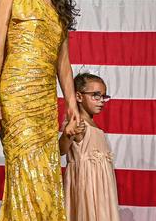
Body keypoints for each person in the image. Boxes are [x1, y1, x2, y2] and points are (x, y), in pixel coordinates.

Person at [0, 0, 80, 220]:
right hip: (15, 97)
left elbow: (63, 63)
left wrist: (72, 104)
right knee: (23, 170)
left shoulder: (60, 6)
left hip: (45, 102)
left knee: (46, 173)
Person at [60, 73, 120, 221]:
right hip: (86, 186)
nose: (101, 101)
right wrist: (68, 134)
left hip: (102, 188)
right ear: (79, 97)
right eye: (96, 96)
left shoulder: (95, 126)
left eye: (103, 97)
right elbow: (60, 150)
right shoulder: (77, 124)